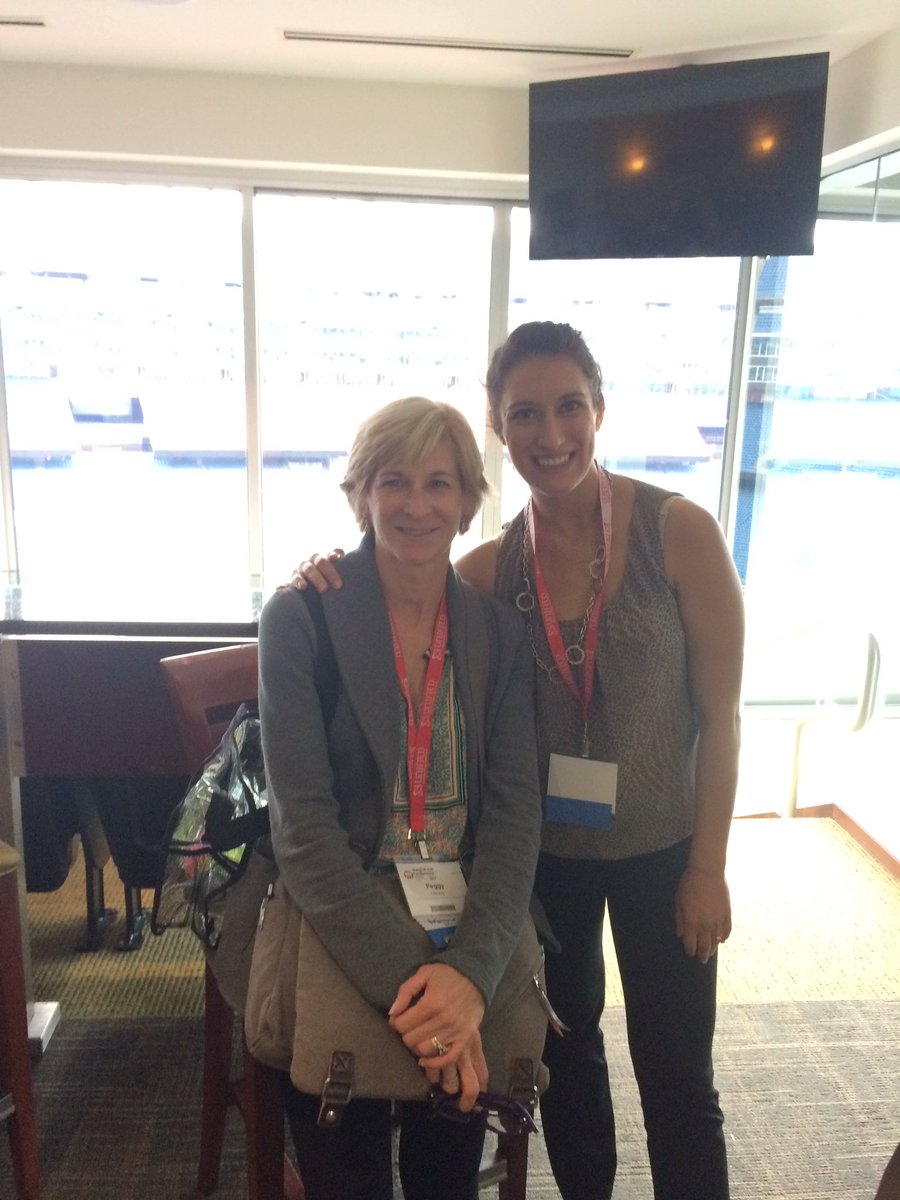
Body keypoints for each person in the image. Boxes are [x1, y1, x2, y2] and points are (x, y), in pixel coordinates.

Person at [293, 320, 745, 1200]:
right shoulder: (492, 570)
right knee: (570, 1075)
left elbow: (722, 720)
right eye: (525, 414)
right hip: (545, 868)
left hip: (665, 858)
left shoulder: (679, 534)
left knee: (679, 1084)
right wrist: (323, 573)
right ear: (499, 428)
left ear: (600, 410)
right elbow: (397, 577)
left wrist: (710, 866)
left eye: (569, 407)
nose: (551, 434)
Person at [258, 394, 544, 1200]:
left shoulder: (498, 635)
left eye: (438, 483)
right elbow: (305, 835)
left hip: (465, 921)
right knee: (345, 1179)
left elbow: (517, 818)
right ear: (361, 495)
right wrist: (430, 1004)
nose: (416, 504)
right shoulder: (301, 618)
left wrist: (470, 978)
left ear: (465, 504)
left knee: (445, 1181)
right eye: (393, 481)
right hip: (343, 913)